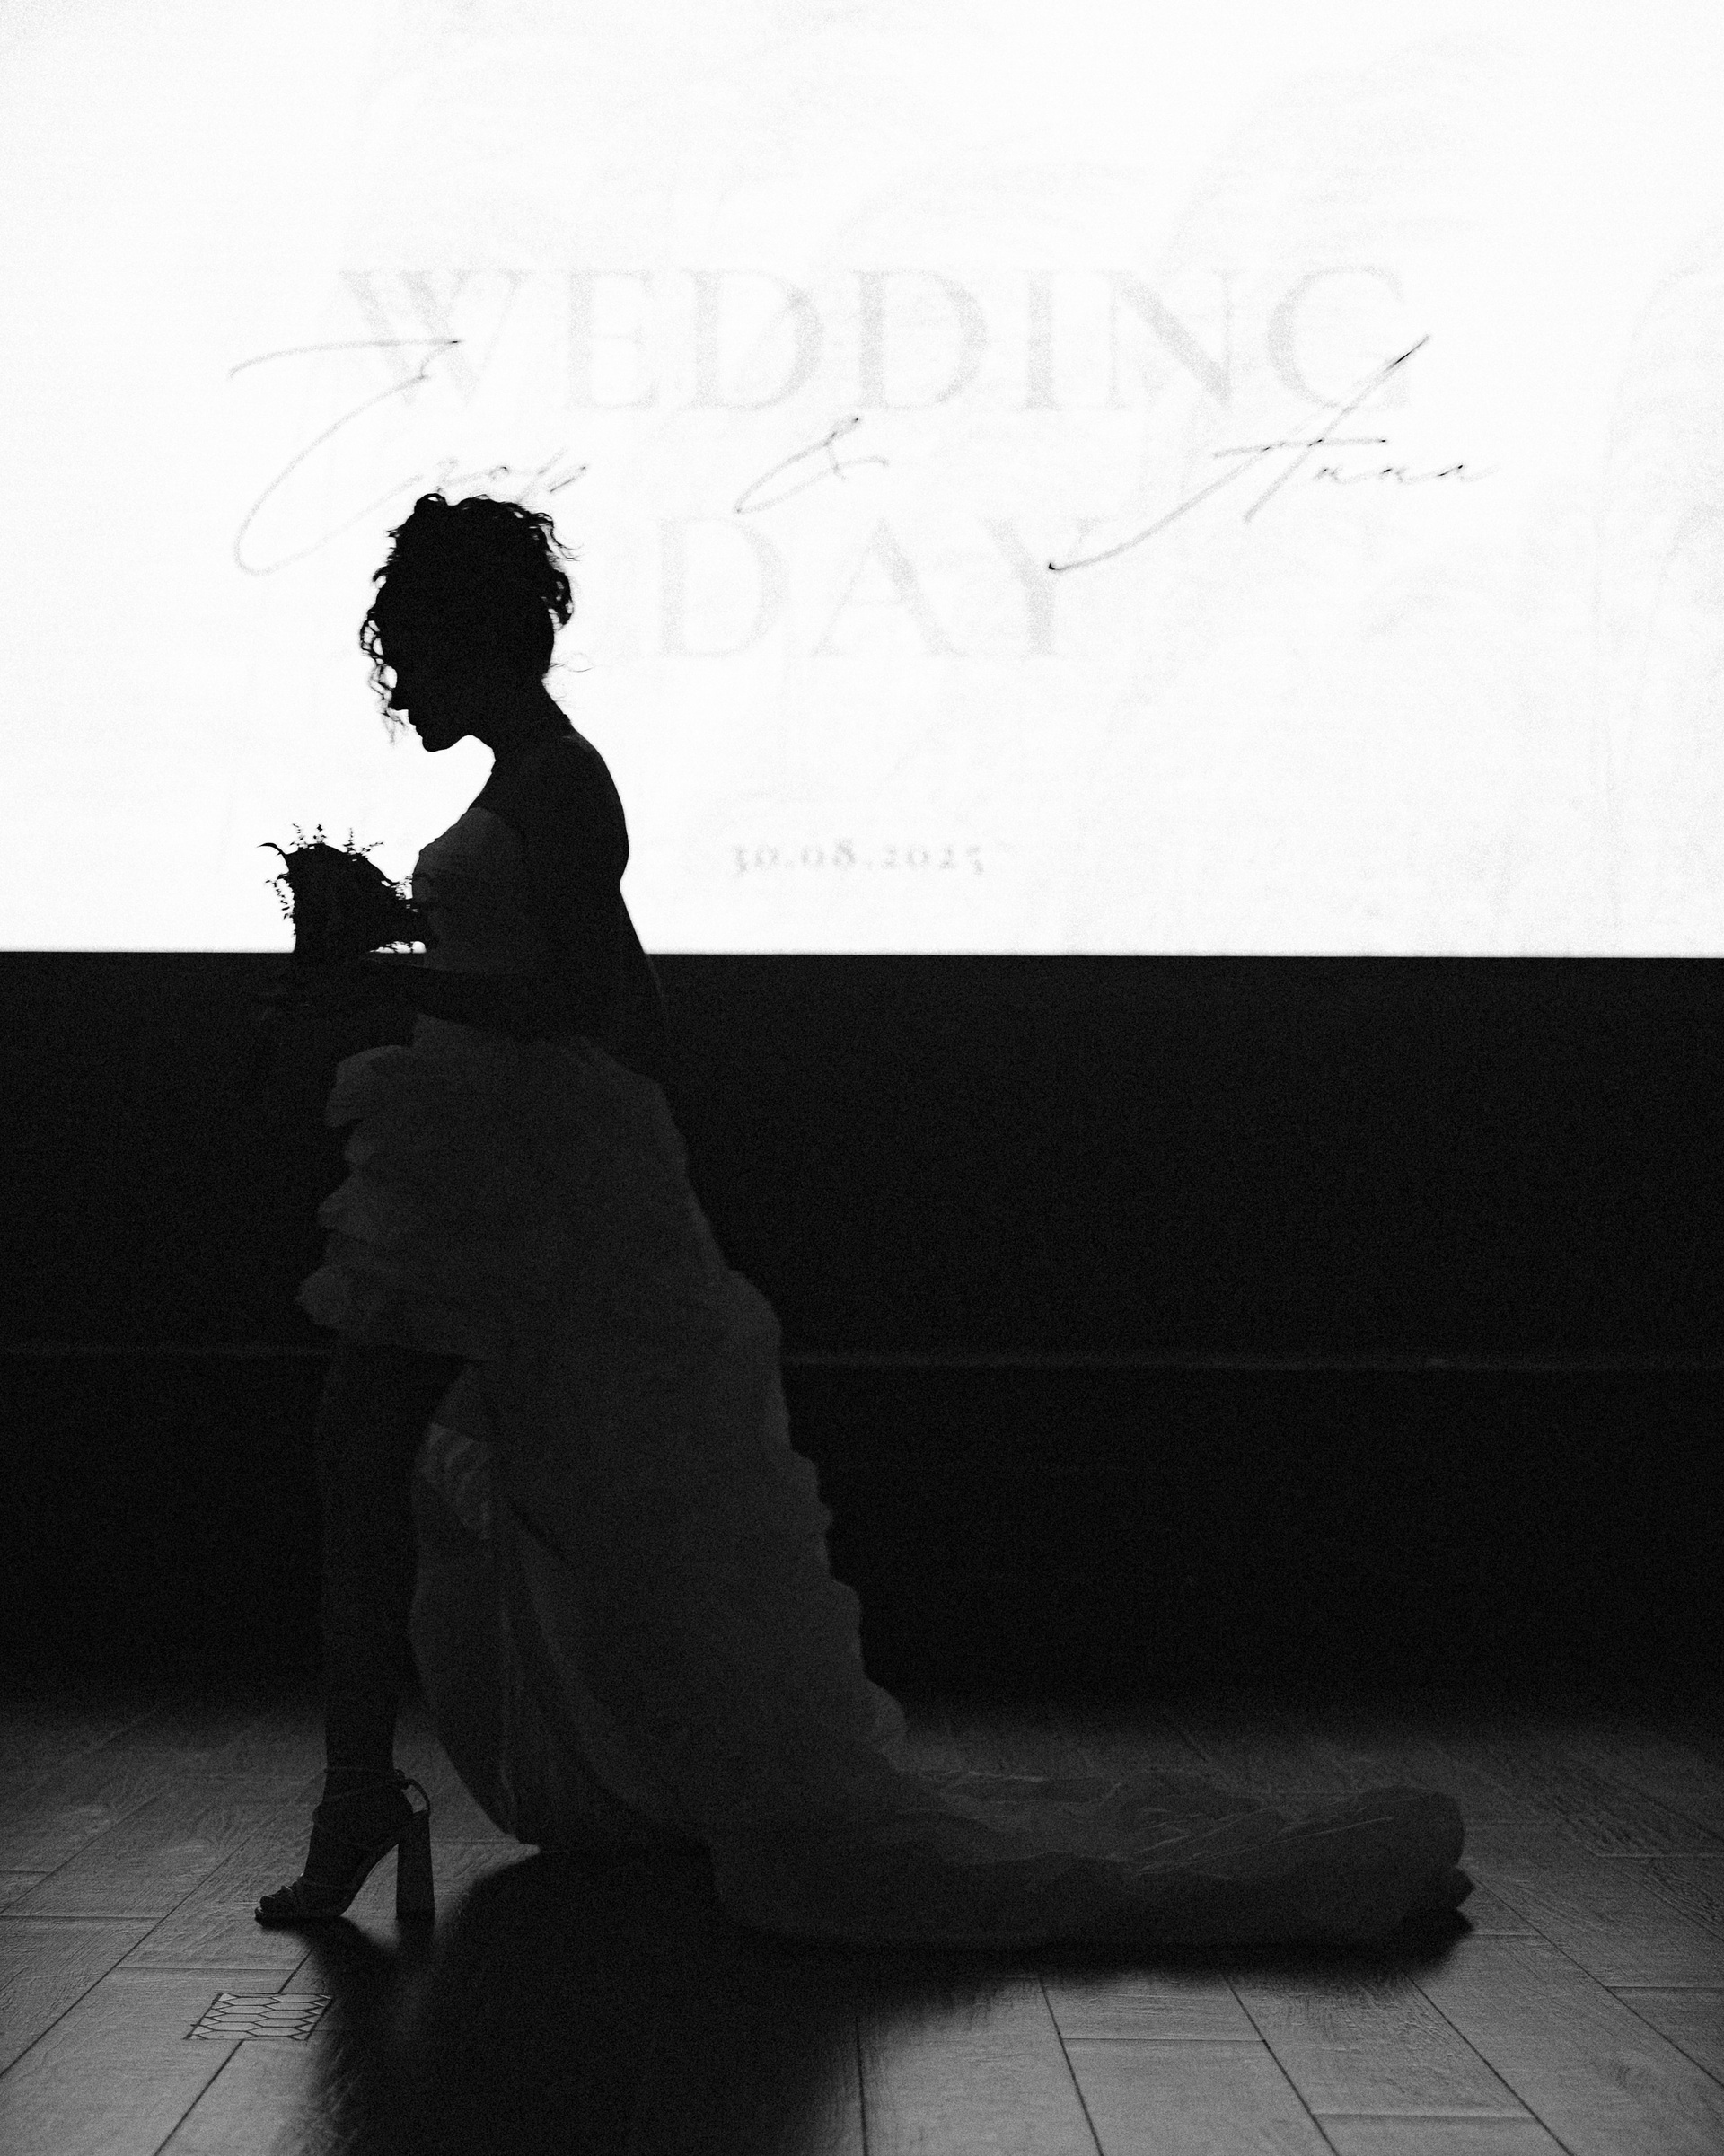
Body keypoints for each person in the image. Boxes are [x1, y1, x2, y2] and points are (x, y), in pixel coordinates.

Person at [258, 490, 1472, 1946]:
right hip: (484, 1168)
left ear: (472, 638)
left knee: (561, 1487)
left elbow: (616, 1013)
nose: (401, 688)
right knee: (401, 1464)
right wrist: (406, 940)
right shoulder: (535, 780)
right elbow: (565, 974)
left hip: (539, 1184)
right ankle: (369, 1789)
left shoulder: (565, 783)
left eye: (411, 656)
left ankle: (464, 1786)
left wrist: (394, 980)